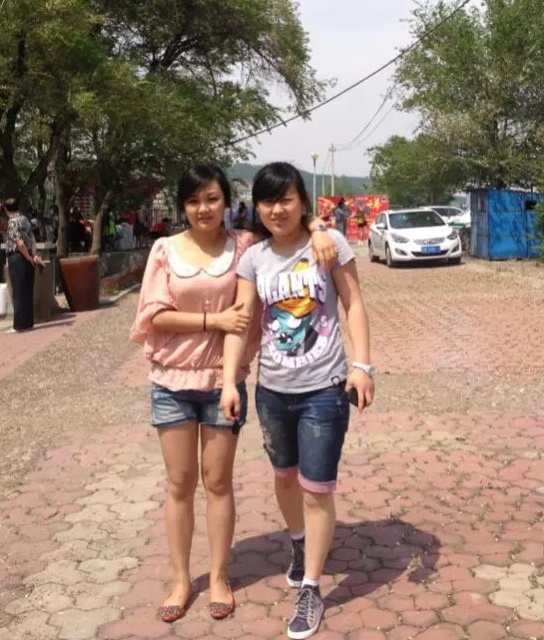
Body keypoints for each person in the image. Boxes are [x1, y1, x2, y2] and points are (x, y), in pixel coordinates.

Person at [129, 164, 338, 624]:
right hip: (171, 382)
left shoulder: (244, 246)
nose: (203, 209)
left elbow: (285, 217)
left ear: (228, 201)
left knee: (219, 482)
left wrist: (319, 226)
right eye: (193, 201)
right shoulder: (165, 250)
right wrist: (215, 321)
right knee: (179, 483)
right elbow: (152, 316)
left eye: (212, 198)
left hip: (223, 382)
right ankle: (181, 580)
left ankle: (220, 575)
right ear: (182, 206)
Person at [220, 162, 374, 639]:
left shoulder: (330, 245)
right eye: (268, 201)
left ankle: (311, 587)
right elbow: (241, 321)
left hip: (325, 388)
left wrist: (362, 365)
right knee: (285, 476)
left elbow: (354, 304)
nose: (277, 209)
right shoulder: (254, 258)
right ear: (257, 207)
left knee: (317, 488)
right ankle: (299, 541)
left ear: (302, 202)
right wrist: (230, 382)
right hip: (272, 391)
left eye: (286, 199)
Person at [4, 197, 45, 332]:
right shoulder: (25, 220)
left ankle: (19, 325)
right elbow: (32, 239)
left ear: (6, 210)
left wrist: (27, 257)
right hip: (28, 257)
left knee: (18, 291)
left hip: (17, 258)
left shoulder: (12, 223)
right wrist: (33, 255)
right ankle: (28, 322)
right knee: (27, 290)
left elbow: (20, 243)